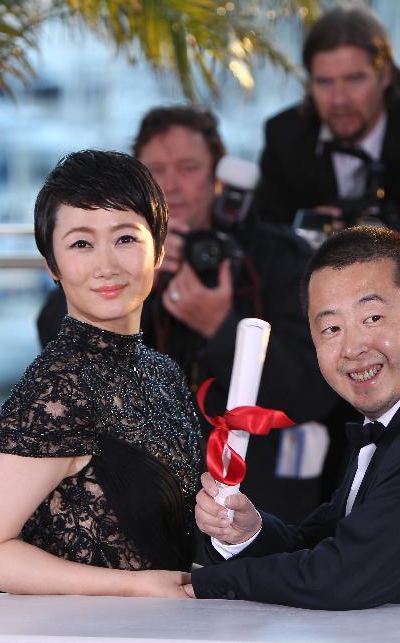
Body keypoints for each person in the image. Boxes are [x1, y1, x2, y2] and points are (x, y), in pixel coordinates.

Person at [186, 226, 400, 609]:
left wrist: (200, 585)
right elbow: (325, 544)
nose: (353, 348)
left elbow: (340, 578)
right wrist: (247, 534)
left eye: (372, 318)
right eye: (332, 329)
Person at [39, 106, 339, 522]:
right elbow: (54, 341)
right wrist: (138, 285)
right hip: (136, 497)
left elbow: (316, 390)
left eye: (189, 167)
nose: (172, 186)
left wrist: (221, 329)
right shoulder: (116, 262)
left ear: (219, 177)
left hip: (260, 499)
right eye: (156, 170)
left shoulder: (276, 256)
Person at [0, 150, 199, 597]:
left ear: (159, 249)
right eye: (81, 243)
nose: (107, 265)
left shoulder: (163, 372)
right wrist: (132, 588)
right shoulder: (57, 387)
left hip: (167, 627)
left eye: (125, 238)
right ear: (53, 265)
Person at [252, 5, 400, 229]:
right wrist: (303, 236)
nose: (339, 100)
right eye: (324, 82)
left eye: (354, 80)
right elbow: (262, 240)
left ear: (385, 75)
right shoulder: (284, 138)